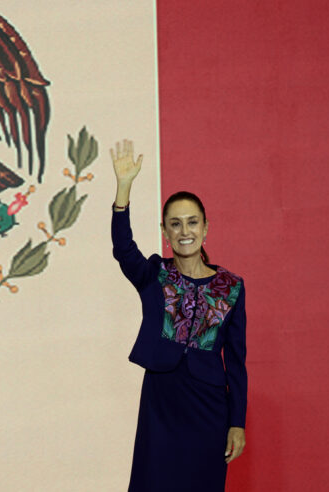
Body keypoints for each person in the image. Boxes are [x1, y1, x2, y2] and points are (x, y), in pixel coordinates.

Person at [110, 140, 247, 492]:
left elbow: (236, 361)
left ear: (205, 228)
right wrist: (123, 190)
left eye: (192, 223)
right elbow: (123, 249)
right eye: (175, 224)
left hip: (209, 406)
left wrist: (237, 423)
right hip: (162, 399)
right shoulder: (155, 275)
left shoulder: (231, 286)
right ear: (166, 233)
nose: (185, 231)